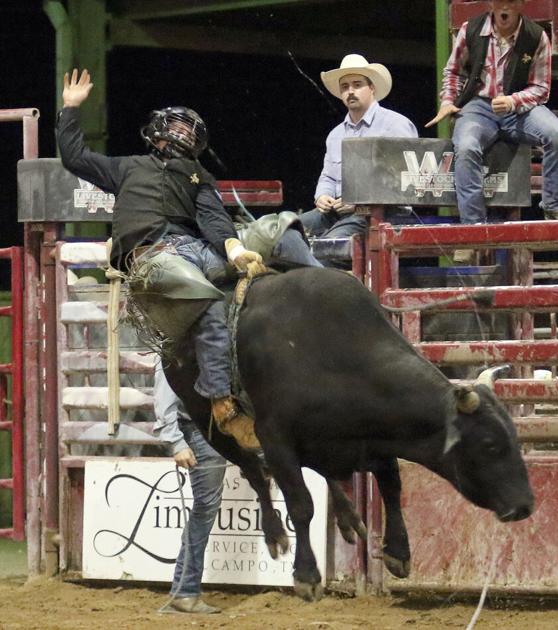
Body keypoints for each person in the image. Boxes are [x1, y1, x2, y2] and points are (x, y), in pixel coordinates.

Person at [57, 69, 317, 450]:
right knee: (203, 298)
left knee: (281, 226)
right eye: (177, 126)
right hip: (153, 259)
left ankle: (322, 295)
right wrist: (70, 108)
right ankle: (223, 405)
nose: (183, 134)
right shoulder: (127, 167)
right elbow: (74, 155)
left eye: (190, 131)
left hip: (195, 249)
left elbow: (213, 216)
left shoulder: (198, 174)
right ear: (158, 131)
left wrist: (234, 248)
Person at [428, 0, 558, 225]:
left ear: (522, 4)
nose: (505, 7)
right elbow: (453, 72)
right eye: (500, 1)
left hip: (518, 109)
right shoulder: (471, 29)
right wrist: (448, 100)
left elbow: (541, 88)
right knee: (466, 146)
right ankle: (473, 225)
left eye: (511, 1)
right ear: (490, 4)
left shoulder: (535, 36)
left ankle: (555, 205)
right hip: (478, 106)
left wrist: (512, 101)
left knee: (557, 135)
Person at [306, 53, 418, 249]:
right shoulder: (336, 134)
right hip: (339, 212)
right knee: (288, 230)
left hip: (382, 214)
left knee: (327, 245)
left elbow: (406, 180)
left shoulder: (395, 125)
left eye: (357, 85)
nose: (350, 91)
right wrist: (322, 196)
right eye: (345, 87)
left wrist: (360, 202)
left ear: (372, 88)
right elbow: (328, 177)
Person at [153, 361, 227, 615]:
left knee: (206, 507)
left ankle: (184, 590)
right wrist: (176, 442)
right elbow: (165, 391)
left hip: (215, 426)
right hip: (198, 429)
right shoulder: (176, 345)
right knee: (205, 507)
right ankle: (185, 591)